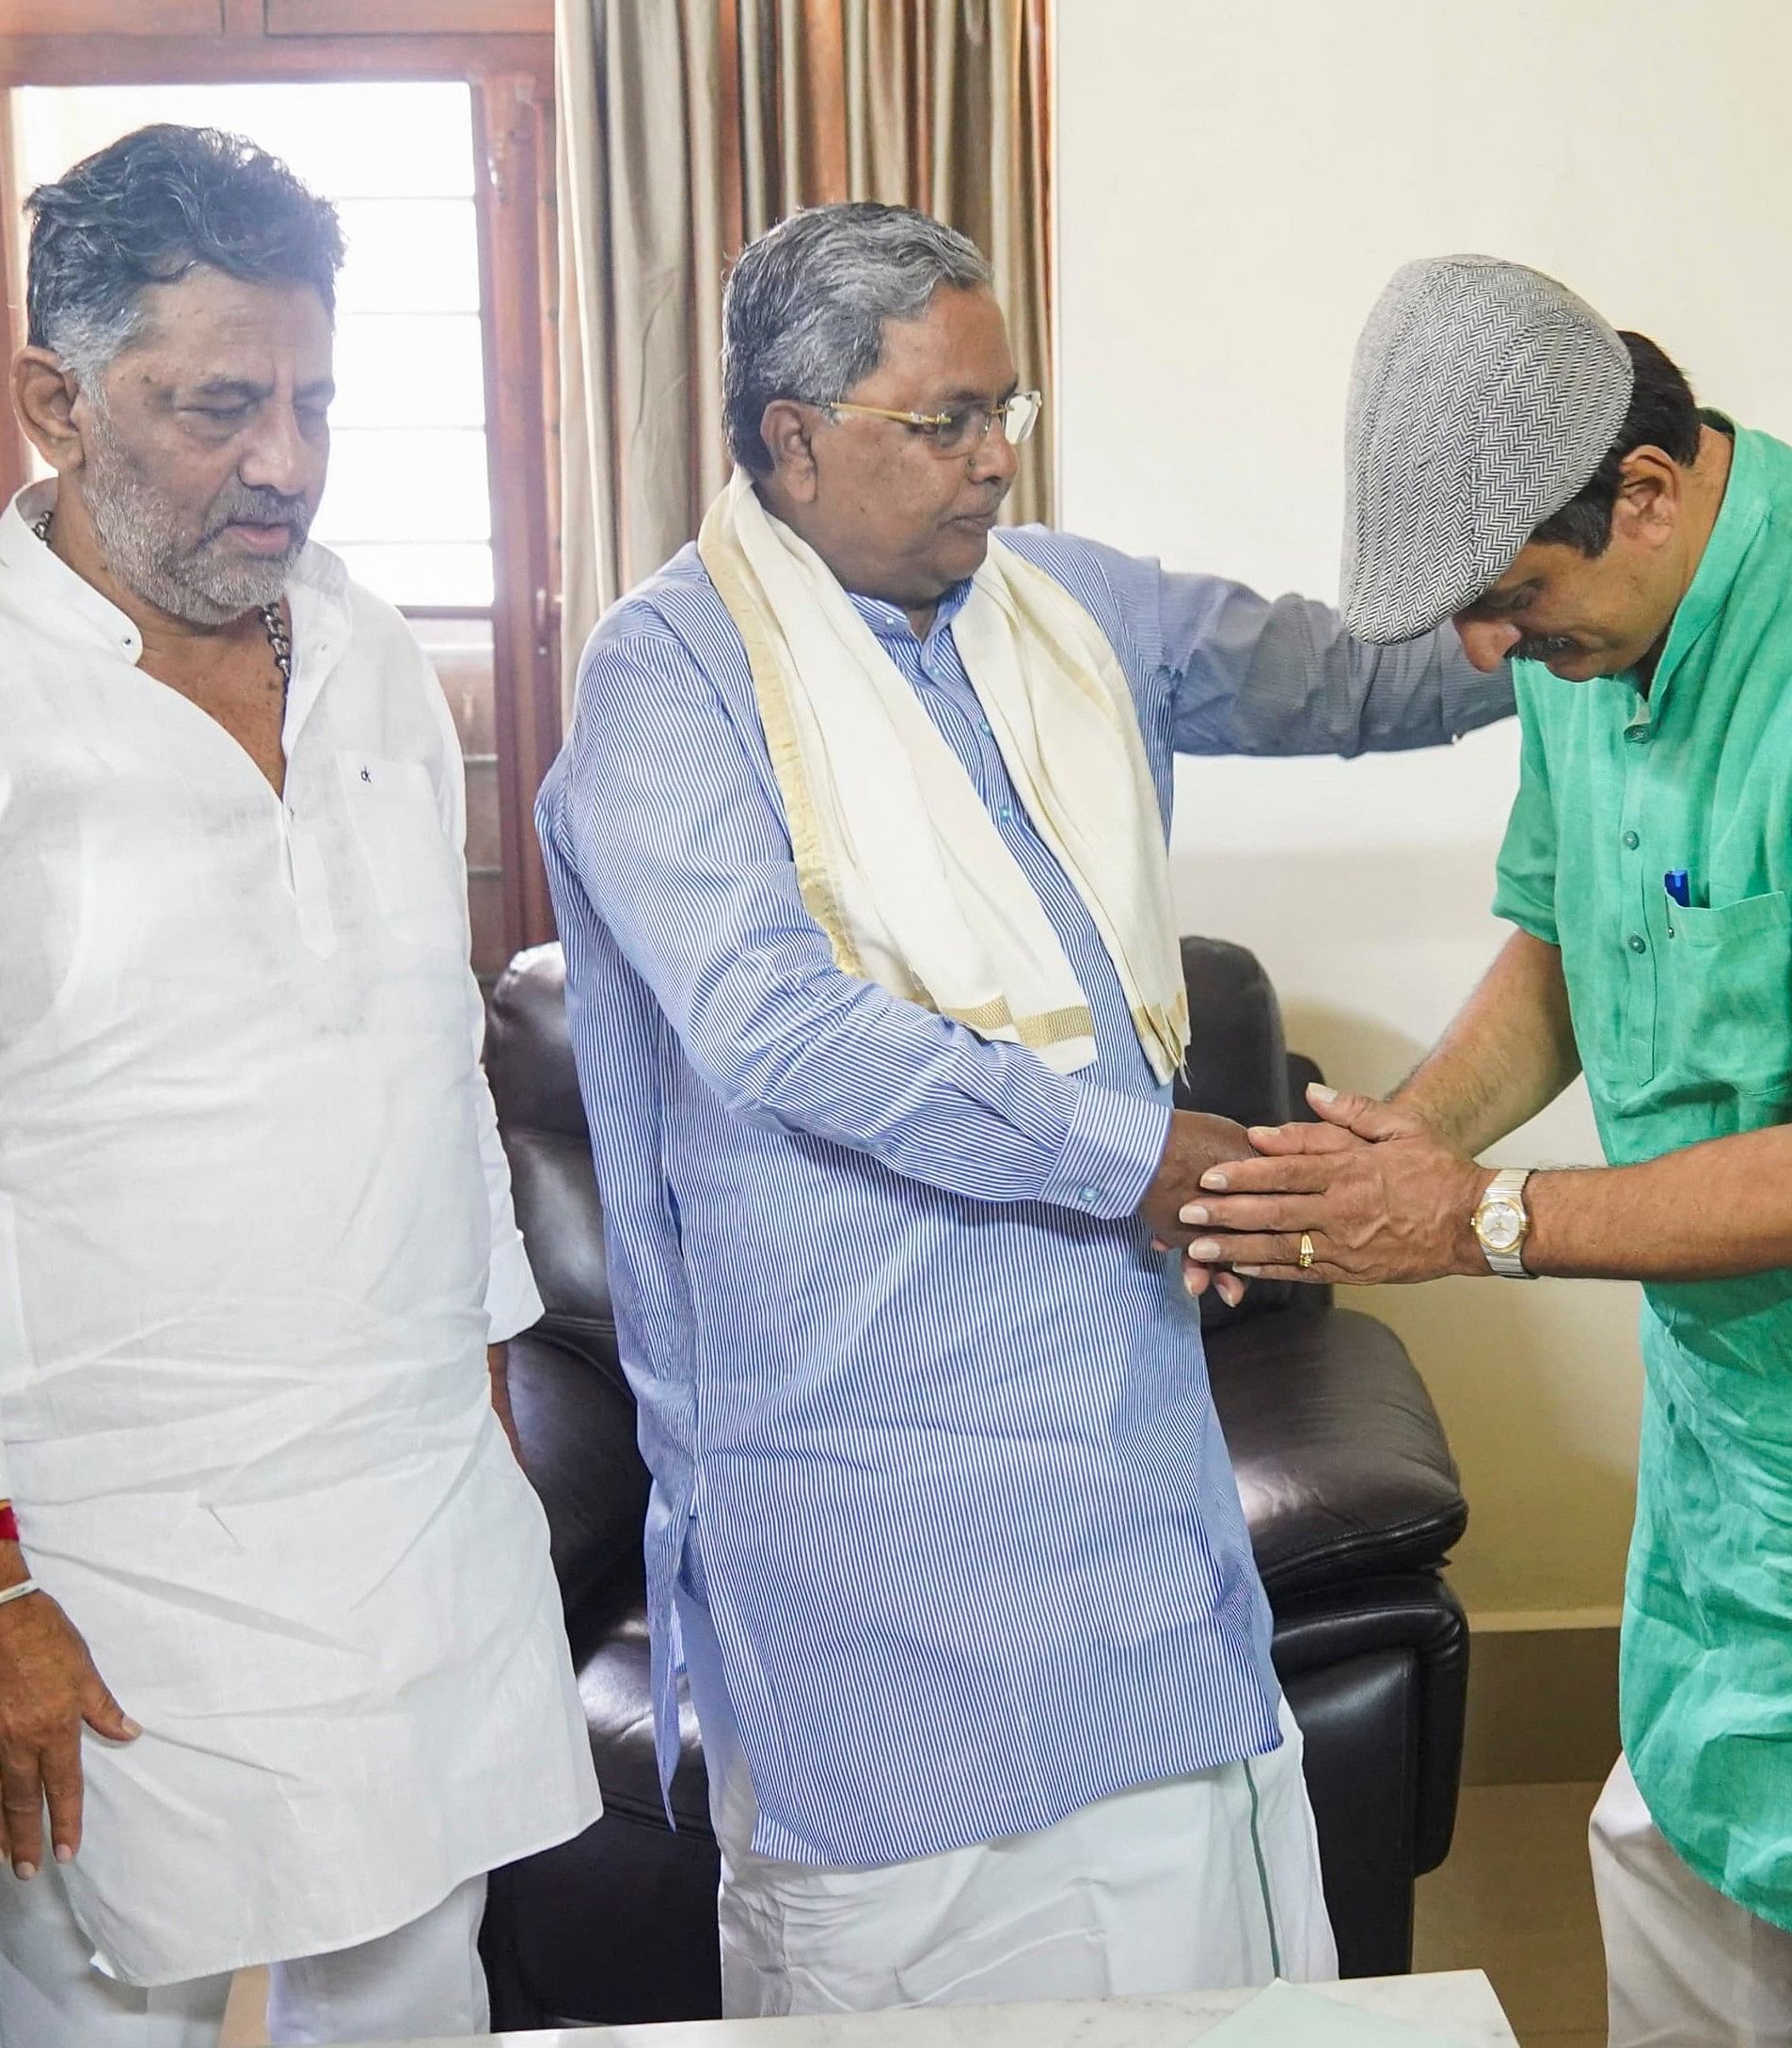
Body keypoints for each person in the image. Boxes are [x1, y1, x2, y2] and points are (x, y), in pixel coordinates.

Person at [534, 201, 1511, 2017]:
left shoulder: (1068, 604)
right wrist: (1140, 1153)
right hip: (859, 1484)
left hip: (1118, 1455)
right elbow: (773, 1021)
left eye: (1010, 407)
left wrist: (1551, 596)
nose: (996, 458)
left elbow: (1348, 672)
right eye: (943, 421)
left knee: (1176, 1960)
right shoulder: (670, 677)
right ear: (788, 437)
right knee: (916, 1968)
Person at [1179, 256, 1792, 2048]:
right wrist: (1408, 1139)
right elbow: (1567, 942)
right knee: (1669, 1851)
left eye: (1512, 602)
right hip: (1734, 1397)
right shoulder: (1590, 638)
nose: (1489, 652)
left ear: (1644, 487)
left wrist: (1469, 1217)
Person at [0, 125, 593, 2048]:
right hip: (91, 1557)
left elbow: (420, 1038)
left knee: (411, 1995)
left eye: (310, 400)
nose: (281, 459)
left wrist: (478, 1385)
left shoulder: (363, 642)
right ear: (52, 398)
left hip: (396, 1513)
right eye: (215, 406)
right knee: (114, 2008)